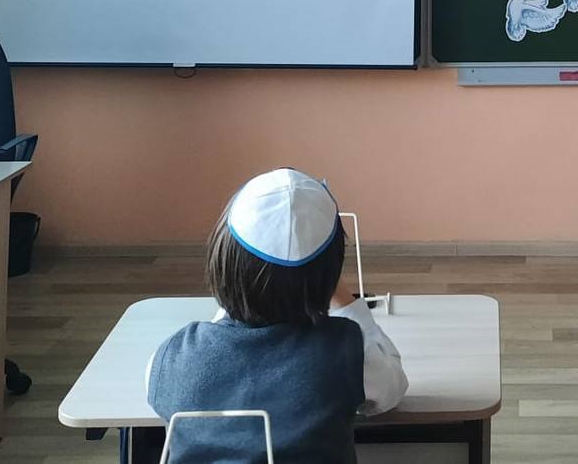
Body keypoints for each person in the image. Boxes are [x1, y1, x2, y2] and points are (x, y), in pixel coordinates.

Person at [147, 168, 408, 463]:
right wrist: (346, 301)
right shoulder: (348, 351)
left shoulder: (171, 357)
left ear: (223, 257)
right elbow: (392, 389)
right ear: (330, 272)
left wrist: (235, 299)